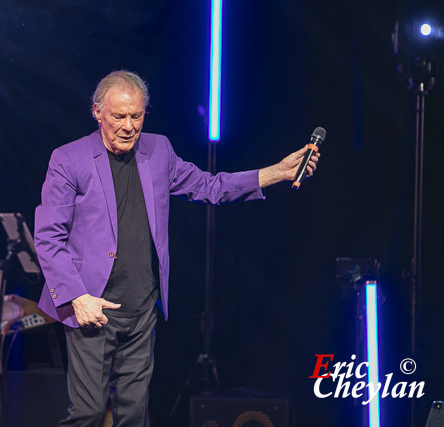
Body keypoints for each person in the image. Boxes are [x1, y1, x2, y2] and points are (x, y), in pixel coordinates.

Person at [34, 70, 319, 427]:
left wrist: (276, 172)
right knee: (89, 414)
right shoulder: (69, 159)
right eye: (119, 116)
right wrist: (77, 297)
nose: (128, 125)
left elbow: (210, 186)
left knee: (134, 416)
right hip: (93, 306)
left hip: (141, 309)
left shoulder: (158, 150)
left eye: (136, 116)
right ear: (98, 112)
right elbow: (48, 237)